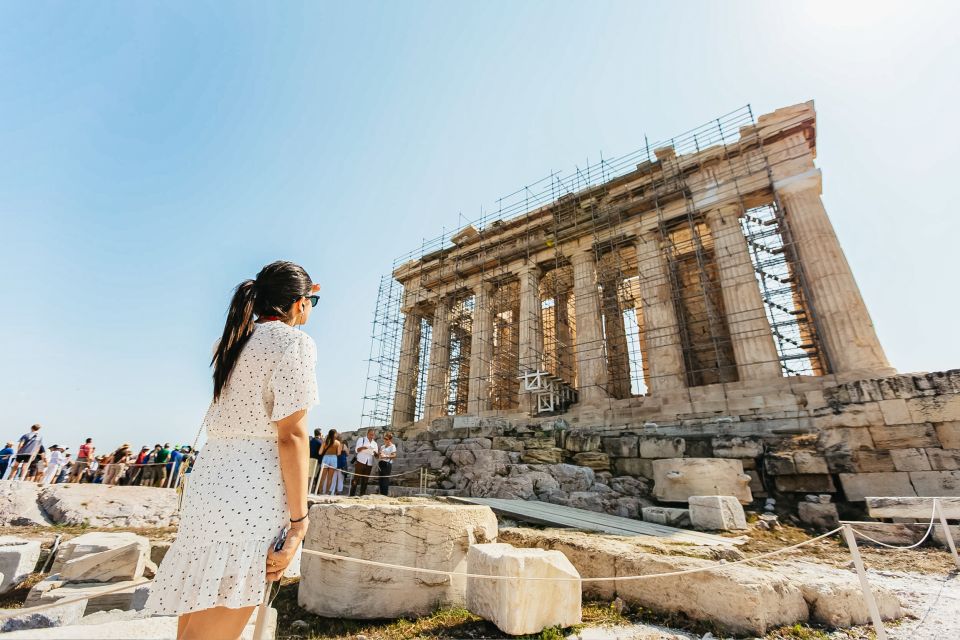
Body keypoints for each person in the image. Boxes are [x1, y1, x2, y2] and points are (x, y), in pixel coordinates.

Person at [145, 260, 320, 640]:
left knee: (196, 619)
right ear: (298, 303)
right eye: (311, 302)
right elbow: (290, 435)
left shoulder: (228, 342)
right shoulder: (295, 343)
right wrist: (298, 522)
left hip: (210, 480)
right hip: (251, 491)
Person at [349, 429, 378, 497]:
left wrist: (375, 453)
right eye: (370, 434)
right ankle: (352, 494)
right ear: (367, 434)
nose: (371, 436)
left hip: (369, 463)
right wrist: (364, 447)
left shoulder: (375, 443)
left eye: (373, 435)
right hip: (360, 461)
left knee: (365, 480)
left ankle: (362, 494)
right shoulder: (361, 439)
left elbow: (376, 455)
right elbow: (357, 450)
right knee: (356, 478)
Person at [317, 429, 341, 495]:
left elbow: (320, 452)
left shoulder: (325, 442)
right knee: (330, 478)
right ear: (335, 434)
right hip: (333, 458)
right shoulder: (338, 443)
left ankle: (320, 492)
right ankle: (327, 493)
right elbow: (339, 453)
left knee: (322, 477)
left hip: (326, 458)